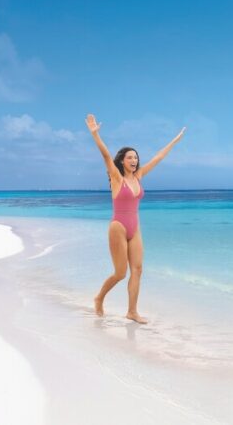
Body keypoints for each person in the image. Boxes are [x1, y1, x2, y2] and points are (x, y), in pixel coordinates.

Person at [87, 114, 185, 324]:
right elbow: (105, 156)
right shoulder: (116, 178)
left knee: (138, 270)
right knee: (120, 273)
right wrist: (96, 135)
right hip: (118, 227)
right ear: (122, 161)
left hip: (135, 228)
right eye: (130, 157)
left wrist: (174, 141)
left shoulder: (138, 177)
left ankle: (132, 311)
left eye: (136, 157)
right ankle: (99, 298)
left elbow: (158, 158)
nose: (134, 160)